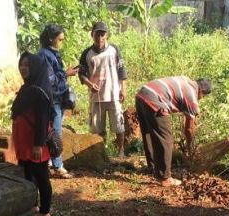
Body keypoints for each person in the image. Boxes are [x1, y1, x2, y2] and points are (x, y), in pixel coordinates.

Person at [135, 77, 213, 187]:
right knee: (166, 139)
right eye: (203, 97)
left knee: (148, 133)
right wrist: (190, 145)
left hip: (141, 95)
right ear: (201, 91)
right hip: (155, 99)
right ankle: (165, 177)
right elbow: (189, 129)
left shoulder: (186, 80)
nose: (201, 99)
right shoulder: (192, 95)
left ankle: (153, 168)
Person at [12, 52, 54, 216]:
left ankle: (45, 211)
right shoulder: (28, 87)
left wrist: (38, 145)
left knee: (41, 175)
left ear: (36, 67)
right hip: (24, 143)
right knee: (27, 173)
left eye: (28, 65)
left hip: (35, 143)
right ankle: (33, 205)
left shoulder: (39, 91)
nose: (24, 68)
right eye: (22, 64)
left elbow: (42, 120)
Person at [79, 21, 128, 157]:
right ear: (92, 35)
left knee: (118, 125)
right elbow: (82, 74)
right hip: (96, 97)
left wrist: (123, 89)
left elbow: (121, 70)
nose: (100, 38)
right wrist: (90, 84)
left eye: (102, 34)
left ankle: (121, 152)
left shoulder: (114, 50)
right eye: (97, 34)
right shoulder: (87, 54)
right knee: (97, 128)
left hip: (113, 94)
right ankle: (101, 154)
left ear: (107, 35)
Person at [38, 24, 79, 179]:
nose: (61, 42)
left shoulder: (51, 53)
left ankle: (48, 162)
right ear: (51, 39)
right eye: (59, 40)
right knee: (55, 133)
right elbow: (50, 79)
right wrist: (66, 73)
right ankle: (58, 166)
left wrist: (64, 73)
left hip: (57, 97)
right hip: (52, 98)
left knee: (52, 131)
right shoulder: (45, 55)